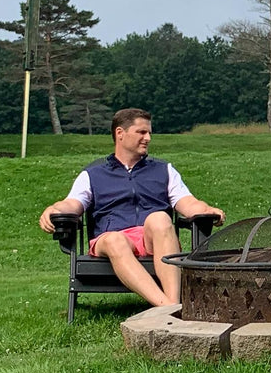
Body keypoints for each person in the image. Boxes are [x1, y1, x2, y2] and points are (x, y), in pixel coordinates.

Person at [38, 108, 225, 307]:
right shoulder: (93, 174)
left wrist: (206, 209)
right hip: (110, 239)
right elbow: (72, 203)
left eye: (150, 133)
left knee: (160, 218)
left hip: (152, 239)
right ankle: (170, 307)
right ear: (120, 133)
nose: (148, 138)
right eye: (141, 132)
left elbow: (187, 202)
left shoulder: (163, 170)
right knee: (115, 239)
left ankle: (170, 302)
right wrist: (54, 209)